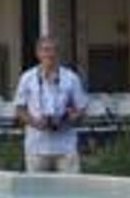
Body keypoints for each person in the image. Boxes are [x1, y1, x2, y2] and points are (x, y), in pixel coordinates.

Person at [14, 34, 89, 174]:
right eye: (46, 50)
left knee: (70, 187)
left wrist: (68, 119)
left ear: (58, 53)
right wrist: (36, 123)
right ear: (38, 53)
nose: (50, 54)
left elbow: (82, 108)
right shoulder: (27, 78)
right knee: (36, 188)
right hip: (36, 147)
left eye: (54, 50)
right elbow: (19, 109)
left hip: (65, 147)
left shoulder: (71, 78)